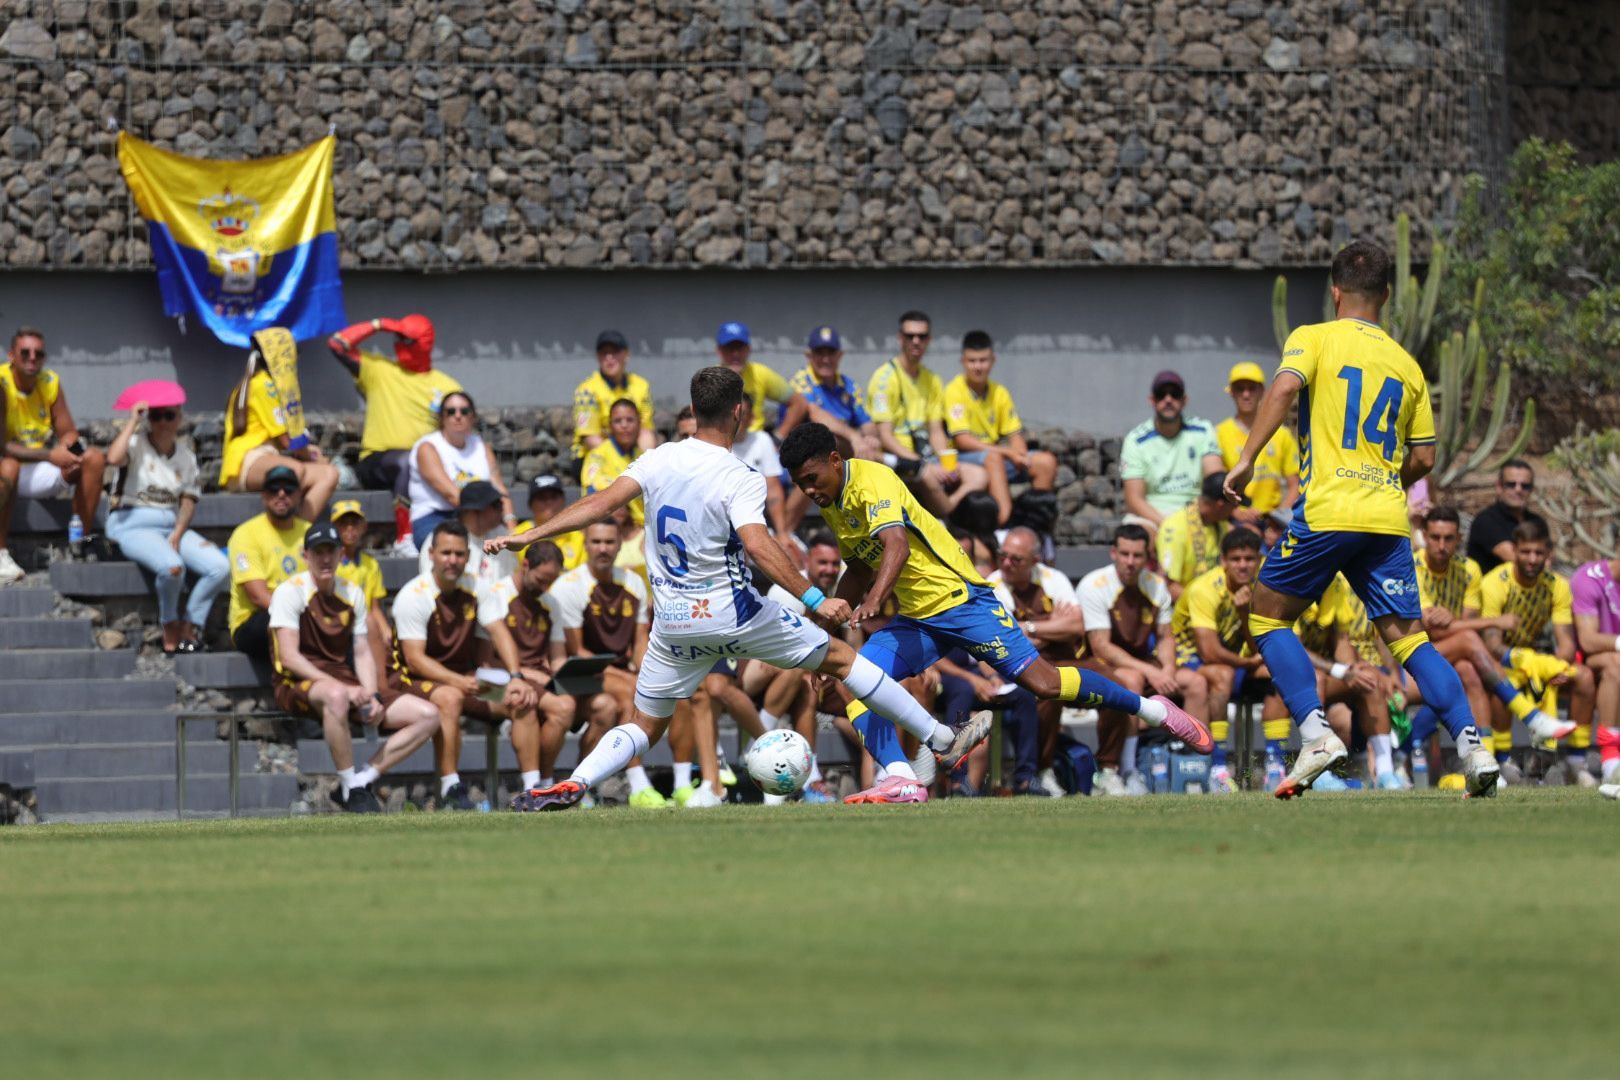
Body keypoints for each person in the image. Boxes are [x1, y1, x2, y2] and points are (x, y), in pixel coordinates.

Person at [489, 368, 1002, 812]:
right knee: (843, 661)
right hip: (732, 615)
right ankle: (939, 740)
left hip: (672, 625)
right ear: (739, 412)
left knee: (646, 724)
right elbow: (758, 545)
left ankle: (576, 781)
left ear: (692, 410)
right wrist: (816, 598)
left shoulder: (657, 460)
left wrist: (530, 535)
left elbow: (600, 504)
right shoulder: (741, 475)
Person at [776, 420, 1213, 802]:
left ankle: (1154, 710)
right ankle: (901, 777)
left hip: (963, 602)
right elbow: (856, 563)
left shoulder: (872, 481)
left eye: (813, 478)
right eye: (800, 485)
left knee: (1044, 683)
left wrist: (873, 602)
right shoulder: (832, 504)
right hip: (918, 619)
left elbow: (896, 545)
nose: (809, 491)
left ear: (836, 459)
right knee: (853, 678)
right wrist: (829, 639)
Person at [1224, 238, 1496, 798]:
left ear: (1335, 290)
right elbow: (1423, 457)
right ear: (1388, 296)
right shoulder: (1407, 364)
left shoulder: (1313, 338)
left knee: (1268, 618)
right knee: (1410, 641)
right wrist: (1385, 483)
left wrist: (1248, 458)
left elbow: (1283, 388)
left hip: (1329, 510)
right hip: (1387, 519)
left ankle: (1316, 733)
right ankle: (1473, 747)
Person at [268, 521, 439, 812]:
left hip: (343, 680)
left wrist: (371, 695)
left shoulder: (353, 592)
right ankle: (349, 786)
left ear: (339, 555)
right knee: (335, 695)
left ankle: (362, 779)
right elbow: (289, 657)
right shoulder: (290, 591)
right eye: (318, 552)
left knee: (429, 715)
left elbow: (361, 651)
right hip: (295, 682)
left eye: (331, 552)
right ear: (305, 555)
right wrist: (346, 689)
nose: (325, 559)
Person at [1412, 506, 1571, 784]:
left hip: (1454, 656)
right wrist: (1492, 622)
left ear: (1459, 538)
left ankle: (1483, 762)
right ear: (1424, 535)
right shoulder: (1413, 567)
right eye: (1435, 537)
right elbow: (1432, 630)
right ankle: (1531, 717)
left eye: (1448, 538)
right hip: (1415, 657)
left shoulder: (1469, 569)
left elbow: (1458, 625)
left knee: (1470, 670)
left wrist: (1551, 666)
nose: (1441, 545)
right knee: (1471, 640)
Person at [389, 520, 541, 810]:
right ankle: (451, 787)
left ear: (468, 557)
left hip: (465, 679)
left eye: (459, 554)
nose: (453, 560)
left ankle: (534, 790)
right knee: (450, 697)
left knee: (520, 699)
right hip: (412, 681)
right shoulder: (414, 595)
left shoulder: (478, 587)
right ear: (431, 554)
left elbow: (499, 631)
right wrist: (458, 681)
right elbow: (414, 659)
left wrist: (517, 676)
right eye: (446, 553)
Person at [1075, 523, 1204, 794]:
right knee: (1131, 680)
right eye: (1124, 554)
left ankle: (1197, 767)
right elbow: (1101, 647)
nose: (1130, 562)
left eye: (1137, 555)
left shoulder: (1156, 586)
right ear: (1113, 552)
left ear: (1148, 558)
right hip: (1097, 664)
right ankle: (1127, 770)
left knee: (1195, 682)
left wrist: (1167, 667)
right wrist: (1152, 671)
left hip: (1144, 663)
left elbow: (1166, 636)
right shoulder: (1094, 585)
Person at [104, 397, 229, 654]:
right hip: (131, 522)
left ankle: (191, 625)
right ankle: (169, 621)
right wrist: (132, 421)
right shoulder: (136, 444)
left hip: (169, 523)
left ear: (179, 419)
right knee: (173, 568)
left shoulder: (186, 457)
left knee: (219, 566)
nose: (162, 422)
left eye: (168, 416)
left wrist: (178, 533)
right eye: (156, 416)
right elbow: (114, 457)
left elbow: (189, 500)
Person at [1480, 519, 1595, 787]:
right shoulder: (1495, 582)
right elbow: (1492, 644)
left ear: (1548, 555)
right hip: (1504, 660)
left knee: (1585, 676)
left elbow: (1566, 641)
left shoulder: (1557, 585)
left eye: (1538, 553)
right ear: (1515, 551)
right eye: (1525, 552)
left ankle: (1576, 762)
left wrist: (1553, 667)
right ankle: (1504, 758)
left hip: (1540, 660)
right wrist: (1527, 662)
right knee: (1499, 681)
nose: (1532, 559)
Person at [987, 527, 1089, 797]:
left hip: (1066, 658)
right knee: (1047, 689)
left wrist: (1028, 628)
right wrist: (1053, 626)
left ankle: (1113, 770)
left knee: (1120, 682)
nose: (1006, 563)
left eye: (1016, 559)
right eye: (1003, 556)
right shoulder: (993, 585)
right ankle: (1042, 771)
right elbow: (1006, 643)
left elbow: (1076, 626)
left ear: (1035, 560)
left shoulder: (1052, 578)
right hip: (1021, 667)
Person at [0, 327, 107, 583]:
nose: (32, 358)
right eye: (25, 352)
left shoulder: (50, 382)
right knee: (10, 465)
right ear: (12, 355)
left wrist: (73, 452)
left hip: (36, 469)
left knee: (94, 458)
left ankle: (81, 543)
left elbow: (68, 431)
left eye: (38, 353)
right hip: (7, 466)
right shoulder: (1, 383)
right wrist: (51, 455)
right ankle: (1, 553)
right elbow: (2, 445)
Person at [866, 310, 989, 519]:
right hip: (896, 458)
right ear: (900, 338)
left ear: (929, 340)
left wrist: (946, 463)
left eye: (922, 336)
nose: (916, 341)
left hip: (927, 456)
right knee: (927, 476)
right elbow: (885, 437)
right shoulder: (885, 378)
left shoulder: (932, 379)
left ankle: (948, 509)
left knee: (979, 475)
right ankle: (947, 519)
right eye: (910, 336)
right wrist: (924, 464)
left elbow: (936, 431)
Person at [1171, 530, 1266, 789]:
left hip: (1232, 659)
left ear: (1258, 560)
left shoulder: (1261, 587)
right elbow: (1208, 651)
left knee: (1277, 672)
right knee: (1222, 674)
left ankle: (1278, 765)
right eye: (1236, 559)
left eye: (1249, 558)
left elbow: (1258, 645)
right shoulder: (1205, 588)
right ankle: (1219, 767)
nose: (1243, 565)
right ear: (1223, 561)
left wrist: (1244, 612)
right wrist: (1247, 663)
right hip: (1188, 658)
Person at [326, 313, 462, 493]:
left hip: (427, 465)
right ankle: (405, 522)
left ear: (424, 343)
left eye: (407, 340)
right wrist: (378, 325)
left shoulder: (448, 387)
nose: (400, 343)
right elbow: (337, 344)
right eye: (398, 337)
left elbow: (459, 434)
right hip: (378, 462)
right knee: (406, 462)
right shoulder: (379, 370)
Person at [484, 541, 580, 793]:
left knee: (597, 702)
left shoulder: (551, 603)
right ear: (525, 565)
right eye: (541, 579)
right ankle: (539, 783)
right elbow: (485, 656)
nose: (546, 587)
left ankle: (544, 784)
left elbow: (557, 657)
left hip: (539, 678)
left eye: (552, 581)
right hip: (496, 678)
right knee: (562, 707)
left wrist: (572, 676)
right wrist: (524, 674)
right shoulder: (496, 594)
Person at [944, 329, 1059, 527]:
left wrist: (1020, 453)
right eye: (972, 361)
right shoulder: (954, 391)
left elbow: (1014, 433)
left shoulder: (1000, 392)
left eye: (983, 360)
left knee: (1045, 462)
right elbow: (963, 440)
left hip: (994, 455)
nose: (978, 367)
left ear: (993, 360)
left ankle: (1037, 528)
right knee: (993, 459)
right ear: (963, 361)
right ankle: (1003, 524)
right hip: (965, 458)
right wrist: (1008, 452)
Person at [219, 331, 337, 522]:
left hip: (268, 457)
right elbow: (288, 440)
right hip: (247, 462)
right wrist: (314, 457)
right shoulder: (264, 385)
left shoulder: (263, 383)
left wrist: (313, 455)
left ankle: (299, 532)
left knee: (329, 475)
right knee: (294, 472)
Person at [406, 391, 515, 549]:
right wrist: (488, 516)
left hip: (481, 514)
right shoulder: (427, 448)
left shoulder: (482, 447)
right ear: (442, 418)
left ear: (472, 417)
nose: (457, 416)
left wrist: (511, 526)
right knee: (457, 547)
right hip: (435, 517)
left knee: (508, 545)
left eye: (464, 411)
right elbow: (453, 496)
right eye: (451, 411)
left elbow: (500, 489)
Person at [225, 466, 310, 662]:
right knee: (287, 624)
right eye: (273, 489)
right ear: (263, 496)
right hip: (254, 620)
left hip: (304, 613)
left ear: (299, 495)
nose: (281, 494)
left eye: (288, 489)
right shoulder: (246, 534)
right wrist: (308, 619)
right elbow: (257, 596)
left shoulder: (309, 532)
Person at [1120, 369, 1222, 533]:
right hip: (1153, 516)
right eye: (1161, 394)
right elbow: (1134, 499)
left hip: (1197, 511)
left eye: (1175, 394)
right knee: (1137, 539)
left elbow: (1215, 477)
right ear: (1152, 400)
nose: (1168, 400)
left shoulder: (1203, 430)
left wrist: (1197, 516)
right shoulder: (1135, 440)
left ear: (1184, 400)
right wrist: (1169, 525)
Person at [1216, 361, 1300, 518]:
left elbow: (1295, 484)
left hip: (1274, 517)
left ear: (1262, 391)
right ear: (1231, 392)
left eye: (1251, 388)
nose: (1246, 394)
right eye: (1240, 389)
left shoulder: (1282, 434)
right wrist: (1236, 513)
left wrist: (1278, 517)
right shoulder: (1219, 433)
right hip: (1235, 518)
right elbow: (1216, 484)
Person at [790, 326, 880, 460]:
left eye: (831, 352)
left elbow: (867, 423)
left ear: (839, 355)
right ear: (809, 355)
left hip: (844, 454)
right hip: (803, 456)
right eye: (819, 352)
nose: (826, 359)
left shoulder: (849, 385)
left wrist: (870, 438)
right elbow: (816, 415)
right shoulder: (801, 381)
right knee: (828, 439)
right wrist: (854, 437)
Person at [1570, 555, 1620, 792]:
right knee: (1616, 663)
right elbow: (1588, 641)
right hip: (1588, 660)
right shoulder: (1590, 578)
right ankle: (1611, 760)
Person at [571, 329, 656, 462]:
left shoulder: (641, 386)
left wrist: (647, 463)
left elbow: (645, 431)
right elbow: (590, 438)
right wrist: (619, 464)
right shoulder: (587, 390)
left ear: (627, 354)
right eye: (604, 353)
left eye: (615, 352)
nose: (609, 357)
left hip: (631, 458)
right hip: (593, 458)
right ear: (598, 357)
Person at [715, 321, 813, 436]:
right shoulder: (710, 379)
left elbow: (799, 402)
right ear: (719, 351)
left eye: (740, 348)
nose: (735, 353)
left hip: (755, 441)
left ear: (748, 349)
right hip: (720, 442)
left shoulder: (760, 373)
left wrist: (779, 436)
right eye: (729, 348)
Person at [415, 479, 516, 588]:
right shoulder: (440, 539)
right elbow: (433, 587)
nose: (502, 509)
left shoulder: (501, 534)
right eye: (497, 505)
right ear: (475, 511)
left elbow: (508, 581)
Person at [330, 499, 392, 675]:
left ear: (363, 527)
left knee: (386, 637)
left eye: (354, 523)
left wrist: (386, 630)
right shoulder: (330, 562)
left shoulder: (370, 564)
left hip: (366, 624)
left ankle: (381, 687)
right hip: (338, 623)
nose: (349, 529)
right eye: (343, 524)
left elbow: (375, 607)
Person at [1155, 472, 1236, 600]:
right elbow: (1169, 585)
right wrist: (1202, 606)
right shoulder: (1175, 528)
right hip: (1185, 607)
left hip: (1214, 600)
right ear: (1220, 505)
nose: (1235, 511)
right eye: (1234, 505)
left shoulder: (1223, 525)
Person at [1466, 460, 1549, 574]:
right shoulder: (1486, 521)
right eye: (1511, 484)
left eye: (1525, 486)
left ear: (1532, 489)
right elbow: (1520, 561)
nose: (1518, 490)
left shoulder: (1537, 522)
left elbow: (1548, 558)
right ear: (1499, 486)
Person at [581, 398, 646, 523]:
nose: (624, 425)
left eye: (630, 420)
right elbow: (592, 492)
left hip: (643, 528)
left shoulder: (645, 457)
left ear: (639, 423)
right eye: (618, 421)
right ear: (610, 426)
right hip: (610, 525)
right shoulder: (597, 455)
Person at [514, 475, 584, 571]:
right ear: (530, 504)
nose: (548, 502)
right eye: (542, 498)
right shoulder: (517, 535)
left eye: (554, 497)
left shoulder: (578, 536)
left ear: (563, 501)